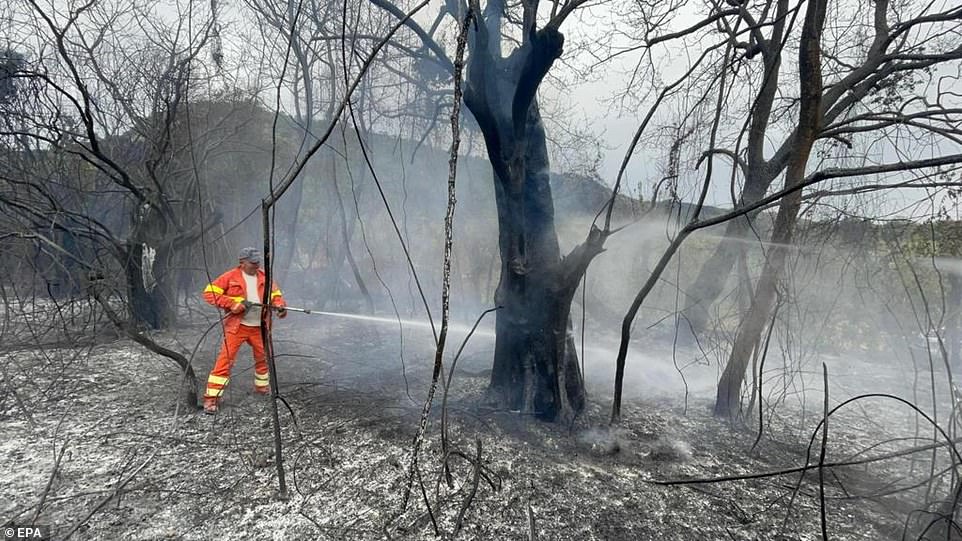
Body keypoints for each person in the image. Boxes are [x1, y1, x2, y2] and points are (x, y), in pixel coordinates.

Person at [201, 247, 287, 414]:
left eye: (258, 262)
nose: (257, 265)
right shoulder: (230, 277)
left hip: (260, 327)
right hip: (237, 327)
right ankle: (212, 399)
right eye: (253, 262)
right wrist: (233, 304)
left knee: (263, 359)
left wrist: (280, 306)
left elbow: (276, 295)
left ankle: (262, 390)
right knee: (225, 361)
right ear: (242, 263)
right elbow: (209, 293)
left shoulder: (265, 277)